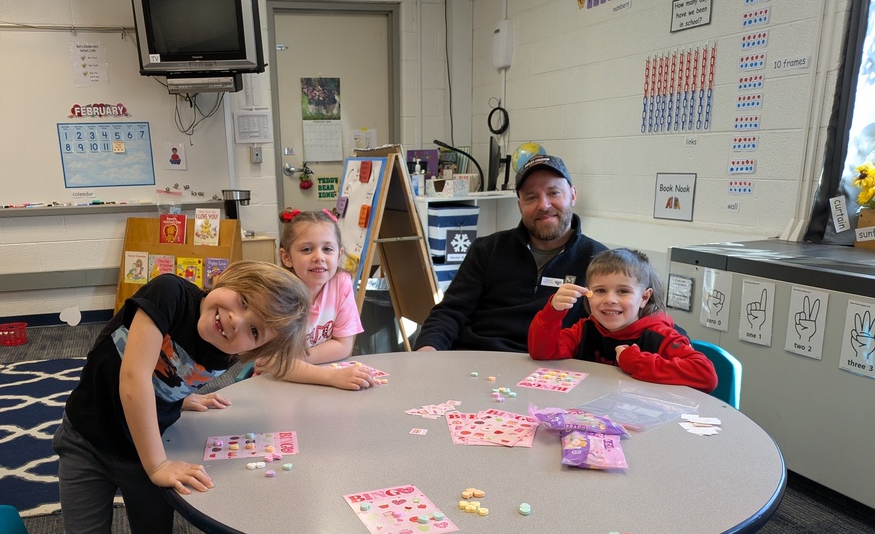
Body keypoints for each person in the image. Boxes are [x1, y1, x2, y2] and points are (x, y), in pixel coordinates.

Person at [52, 261, 310, 534]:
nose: (236, 321)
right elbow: (133, 377)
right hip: (87, 440)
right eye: (245, 300)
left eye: (254, 331)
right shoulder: (169, 292)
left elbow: (168, 374)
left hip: (143, 450)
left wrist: (179, 395)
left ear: (253, 350)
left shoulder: (227, 351)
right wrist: (157, 464)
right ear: (229, 278)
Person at [414, 154, 607, 353]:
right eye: (531, 197)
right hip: (476, 359)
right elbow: (450, 311)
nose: (543, 205)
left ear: (573, 195)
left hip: (548, 369)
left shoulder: (599, 262)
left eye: (554, 193)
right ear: (519, 205)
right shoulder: (487, 249)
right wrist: (427, 350)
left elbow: (613, 329)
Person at [528, 247, 718, 393]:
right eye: (600, 290)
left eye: (623, 291)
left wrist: (635, 362)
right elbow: (542, 352)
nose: (610, 299)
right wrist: (552, 311)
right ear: (588, 294)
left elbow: (706, 375)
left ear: (644, 297)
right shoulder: (585, 328)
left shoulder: (660, 335)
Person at [267, 209, 374, 391]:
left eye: (327, 249)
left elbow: (343, 345)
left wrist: (295, 358)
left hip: (319, 377)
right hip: (276, 384)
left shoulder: (341, 283)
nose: (319, 257)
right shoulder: (277, 292)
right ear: (286, 257)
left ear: (339, 255)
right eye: (307, 249)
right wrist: (330, 376)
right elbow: (274, 363)